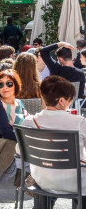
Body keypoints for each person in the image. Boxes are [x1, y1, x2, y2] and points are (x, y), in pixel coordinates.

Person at [22, 76, 86, 208]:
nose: (70, 103)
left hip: (42, 179)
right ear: (61, 101)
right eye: (70, 100)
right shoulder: (79, 122)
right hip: (75, 183)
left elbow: (19, 150)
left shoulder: (28, 121)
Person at [0, 69, 26, 141]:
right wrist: (27, 139)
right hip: (15, 147)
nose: (5, 87)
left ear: (16, 85)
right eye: (0, 84)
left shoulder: (19, 103)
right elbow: (6, 133)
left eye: (9, 84)